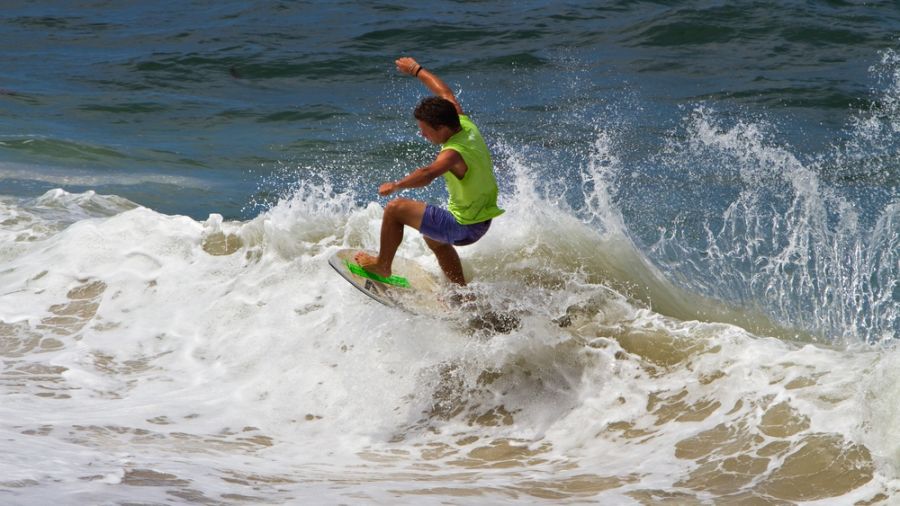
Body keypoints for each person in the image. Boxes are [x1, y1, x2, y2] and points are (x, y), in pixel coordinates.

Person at [355, 57, 504, 286]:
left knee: (395, 209)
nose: (422, 135)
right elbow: (445, 92)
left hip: (463, 226)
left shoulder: (454, 153)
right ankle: (460, 291)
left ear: (442, 127)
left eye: (425, 131)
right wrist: (416, 70)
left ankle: (382, 265)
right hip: (481, 221)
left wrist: (396, 185)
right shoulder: (463, 123)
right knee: (433, 237)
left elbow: (427, 173)